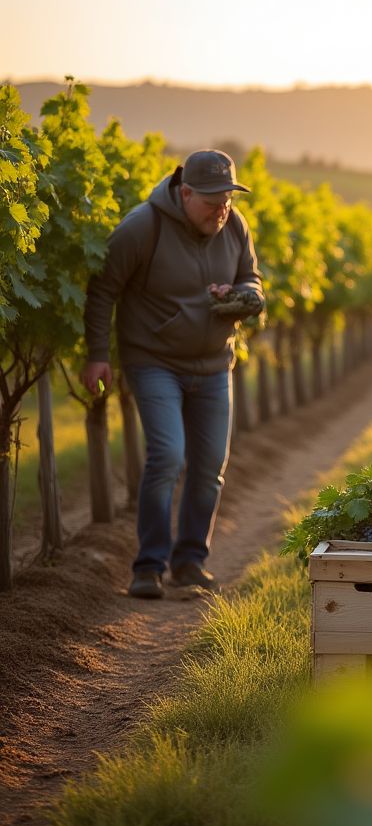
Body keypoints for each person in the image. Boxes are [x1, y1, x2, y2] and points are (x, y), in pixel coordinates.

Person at [82, 148, 264, 600]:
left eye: (228, 201)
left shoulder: (236, 226)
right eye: (212, 202)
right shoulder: (144, 226)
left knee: (209, 469)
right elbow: (103, 288)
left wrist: (238, 296)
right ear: (184, 192)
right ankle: (148, 567)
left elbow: (253, 282)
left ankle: (189, 563)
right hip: (153, 361)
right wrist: (97, 354)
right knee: (167, 456)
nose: (222, 211)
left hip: (214, 364)